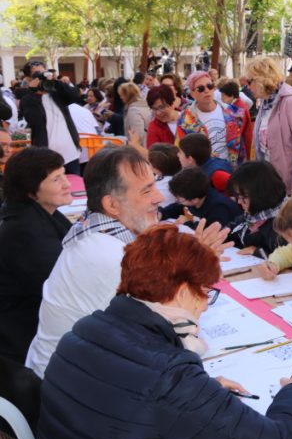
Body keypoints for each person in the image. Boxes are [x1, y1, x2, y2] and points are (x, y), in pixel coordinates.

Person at [36, 224, 292, 439]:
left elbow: (123, 401)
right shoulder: (170, 378)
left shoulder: (81, 332)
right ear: (183, 293)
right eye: (206, 291)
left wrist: (203, 397)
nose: (206, 304)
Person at [25, 146, 231, 378]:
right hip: (69, 392)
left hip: (70, 376)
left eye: (155, 184)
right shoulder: (110, 256)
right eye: (146, 191)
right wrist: (197, 268)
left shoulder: (95, 230)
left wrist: (194, 260)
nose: (160, 197)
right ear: (112, 206)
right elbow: (183, 340)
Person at [0, 147, 73, 363]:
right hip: (21, 341)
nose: (67, 184)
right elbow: (62, 284)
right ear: (31, 191)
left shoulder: (39, 213)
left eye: (64, 174)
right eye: (56, 179)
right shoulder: (25, 231)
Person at [246, 57, 292, 192]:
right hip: (269, 180)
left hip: (286, 184)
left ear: (261, 79)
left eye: (249, 81)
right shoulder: (266, 102)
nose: (247, 86)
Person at [177, 71, 251, 167]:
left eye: (209, 86)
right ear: (192, 94)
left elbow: (247, 141)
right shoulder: (185, 120)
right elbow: (182, 153)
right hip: (203, 175)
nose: (206, 90)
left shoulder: (235, 113)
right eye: (200, 88)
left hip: (234, 172)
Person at [19, 69, 82, 174]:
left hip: (71, 154)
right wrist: (33, 93)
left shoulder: (57, 95)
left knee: (74, 187)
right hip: (46, 157)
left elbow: (75, 96)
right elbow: (35, 120)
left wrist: (55, 81)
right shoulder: (28, 99)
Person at [227, 160, 287, 255]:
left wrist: (257, 252)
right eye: (237, 196)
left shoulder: (284, 224)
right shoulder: (253, 216)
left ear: (260, 194)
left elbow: (290, 259)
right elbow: (232, 230)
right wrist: (217, 235)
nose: (239, 201)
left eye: (243, 197)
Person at [163, 168, 241, 227]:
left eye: (180, 200)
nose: (178, 201)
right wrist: (161, 213)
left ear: (194, 200)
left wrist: (187, 223)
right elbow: (177, 207)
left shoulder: (218, 209)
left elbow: (213, 233)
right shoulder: (195, 194)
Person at [148, 142, 182, 207]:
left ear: (158, 168)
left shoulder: (164, 189)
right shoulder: (162, 175)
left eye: (150, 163)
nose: (149, 165)